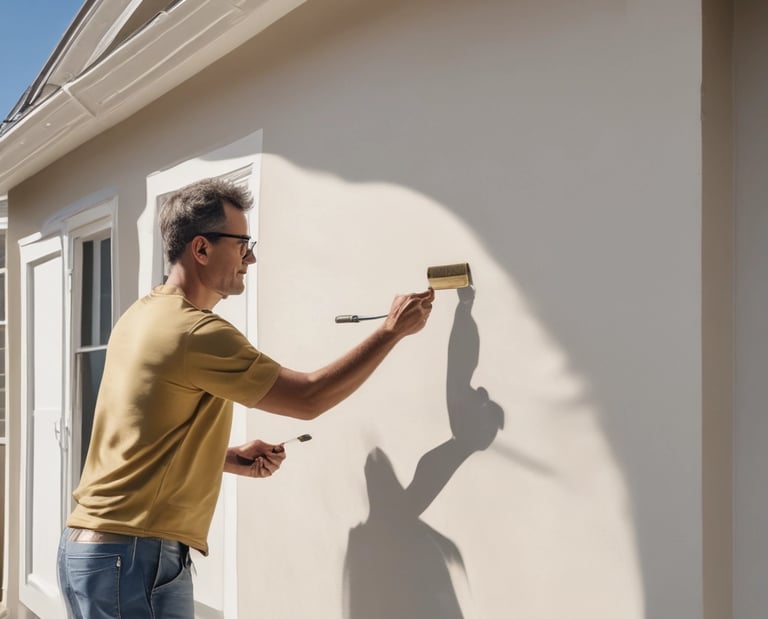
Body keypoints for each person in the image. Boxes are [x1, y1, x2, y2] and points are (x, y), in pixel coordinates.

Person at [57, 177, 434, 618]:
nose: (250, 258)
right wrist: (391, 331)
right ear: (201, 248)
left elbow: (138, 434)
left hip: (95, 550)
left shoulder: (141, 315)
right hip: (133, 555)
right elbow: (308, 398)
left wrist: (226, 457)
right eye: (242, 244)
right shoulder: (196, 332)